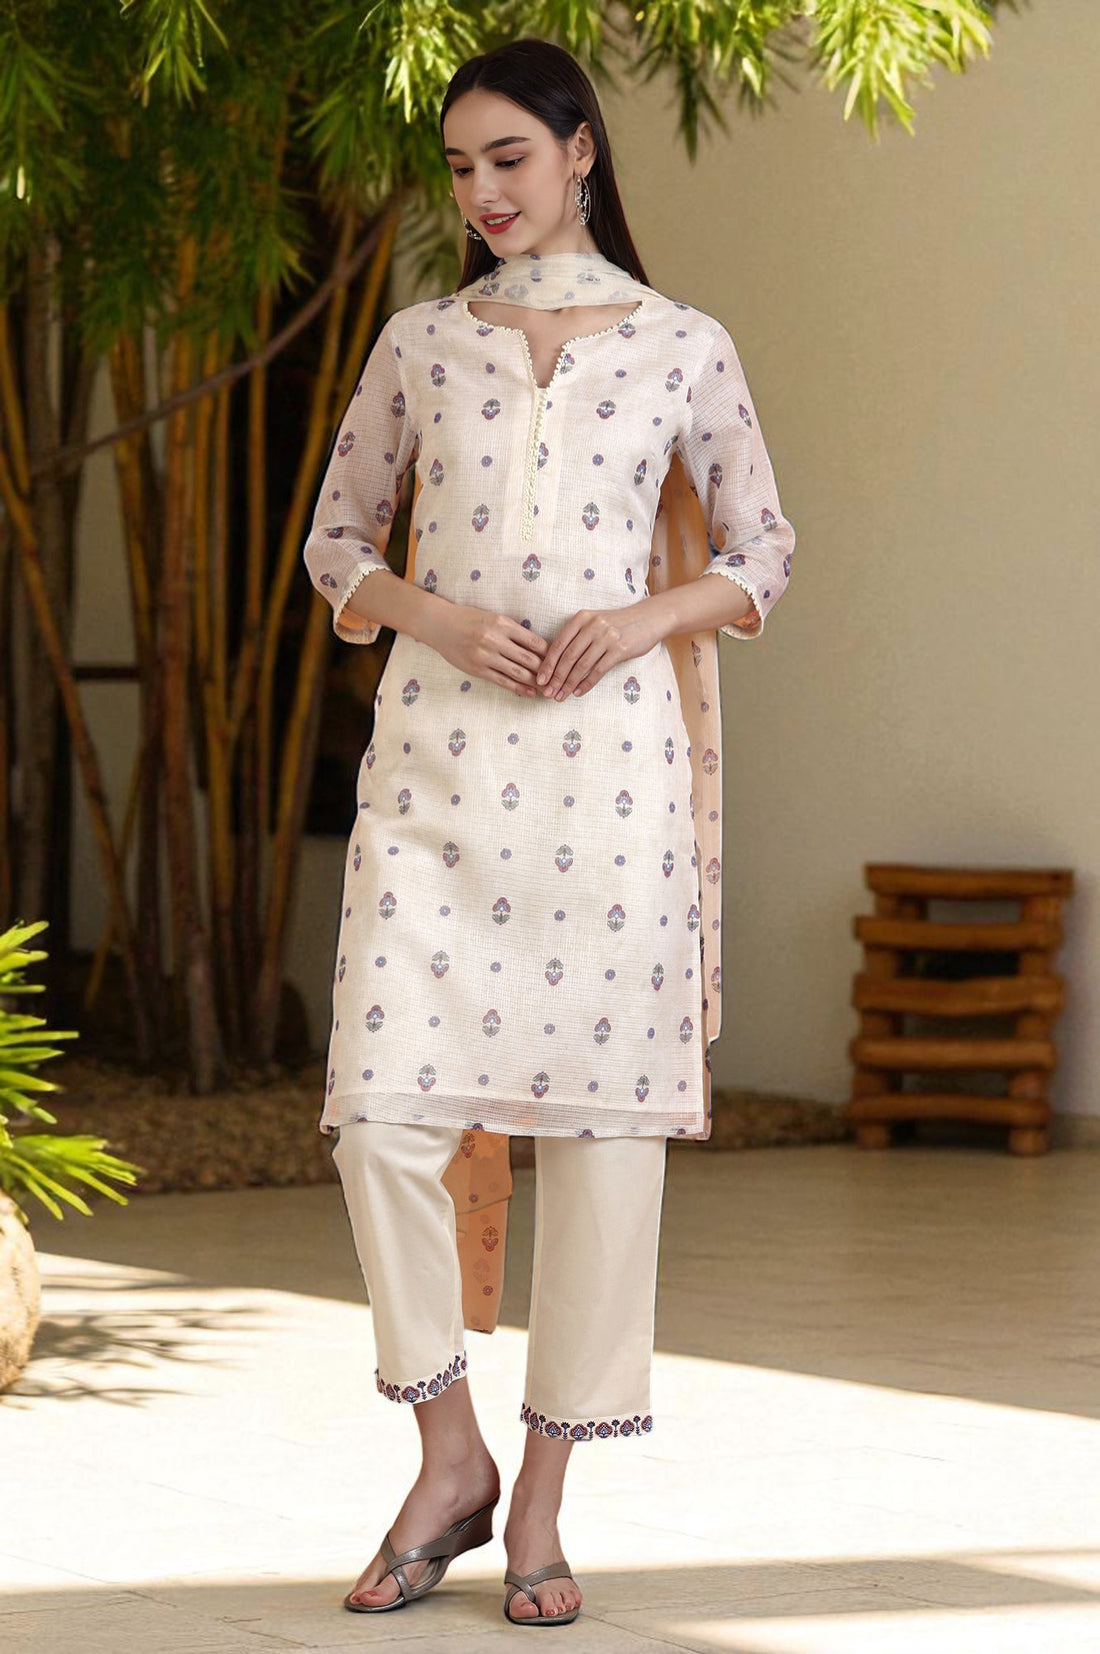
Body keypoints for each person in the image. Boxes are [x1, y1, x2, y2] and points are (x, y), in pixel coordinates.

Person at [302, 35, 796, 1627]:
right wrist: (435, 613)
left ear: (582, 150)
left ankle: (540, 1500)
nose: (483, 191)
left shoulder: (682, 345)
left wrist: (644, 615)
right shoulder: (421, 342)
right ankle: (448, 1454)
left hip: (611, 785)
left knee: (602, 1143)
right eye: (460, 167)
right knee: (380, 1116)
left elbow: (764, 550)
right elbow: (336, 540)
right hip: (435, 772)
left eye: (508, 157)